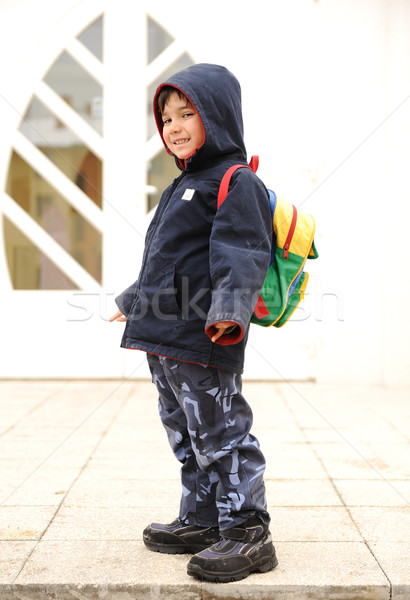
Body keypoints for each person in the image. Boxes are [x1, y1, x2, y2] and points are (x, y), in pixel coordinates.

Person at [110, 63, 278, 583]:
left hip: (204, 338)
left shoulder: (235, 181)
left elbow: (241, 252)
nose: (174, 125)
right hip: (163, 337)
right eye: (166, 118)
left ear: (218, 116)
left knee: (221, 433)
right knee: (185, 432)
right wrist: (135, 297)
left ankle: (248, 531)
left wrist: (230, 311)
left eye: (188, 113)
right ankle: (205, 520)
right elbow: (164, 260)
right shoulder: (179, 186)